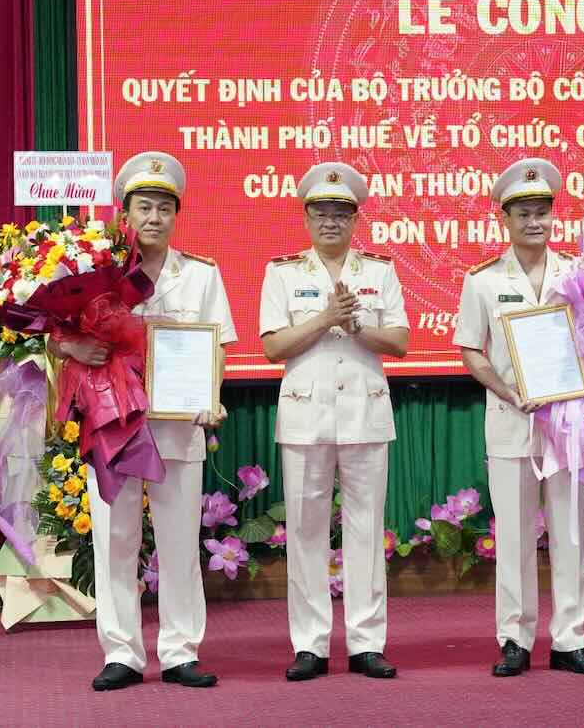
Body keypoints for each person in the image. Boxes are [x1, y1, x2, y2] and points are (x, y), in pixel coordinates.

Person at [51, 151, 235, 692]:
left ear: (176, 215)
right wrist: (72, 346)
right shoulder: (94, 270)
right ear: (124, 213)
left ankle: (180, 650)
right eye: (143, 207)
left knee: (179, 539)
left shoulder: (200, 274)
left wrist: (212, 397)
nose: (153, 218)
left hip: (178, 423)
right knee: (115, 538)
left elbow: (217, 343)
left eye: (163, 208)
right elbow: (57, 332)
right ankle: (122, 652)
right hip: (113, 423)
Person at [453, 157, 584, 678]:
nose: (534, 222)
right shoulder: (484, 281)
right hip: (512, 419)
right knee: (512, 536)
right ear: (504, 220)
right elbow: (470, 350)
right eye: (523, 214)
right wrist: (508, 391)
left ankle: (570, 639)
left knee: (571, 532)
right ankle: (514, 639)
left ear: (553, 217)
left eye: (542, 213)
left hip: (570, 423)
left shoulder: (580, 277)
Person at [259, 162, 409, 681]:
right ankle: (311, 644)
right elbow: (272, 347)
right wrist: (324, 318)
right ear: (306, 217)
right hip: (305, 414)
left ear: (355, 219)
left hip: (366, 413)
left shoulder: (379, 271)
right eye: (321, 213)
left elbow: (401, 343)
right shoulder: (282, 272)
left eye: (340, 213)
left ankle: (367, 643)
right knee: (305, 529)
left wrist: (356, 323)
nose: (330, 222)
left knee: (366, 529)